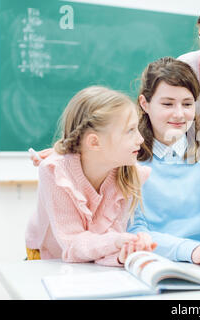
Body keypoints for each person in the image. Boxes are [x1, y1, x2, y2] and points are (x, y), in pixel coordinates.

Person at [128, 57, 200, 266]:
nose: (179, 114)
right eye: (167, 104)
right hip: (154, 265)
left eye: (187, 104)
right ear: (145, 104)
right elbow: (136, 233)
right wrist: (192, 250)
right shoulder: (128, 165)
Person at [25, 86, 156, 266]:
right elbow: (72, 245)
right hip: (48, 257)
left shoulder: (128, 173)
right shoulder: (55, 173)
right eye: (130, 130)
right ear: (94, 142)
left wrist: (122, 253)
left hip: (87, 258)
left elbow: (104, 247)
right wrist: (116, 242)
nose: (141, 139)